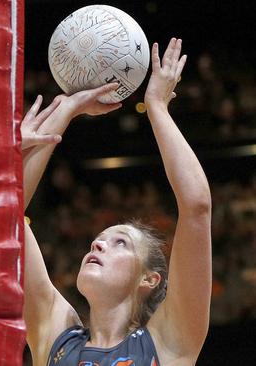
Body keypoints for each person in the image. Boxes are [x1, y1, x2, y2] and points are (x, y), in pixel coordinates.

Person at [22, 38, 211, 365]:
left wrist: (156, 107)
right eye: (98, 241)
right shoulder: (54, 332)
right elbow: (5, 214)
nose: (96, 246)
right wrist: (66, 110)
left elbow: (196, 207)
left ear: (149, 279)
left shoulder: (169, 341)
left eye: (119, 243)